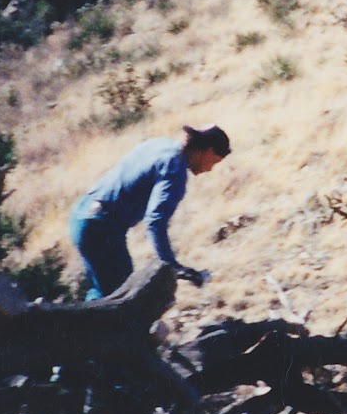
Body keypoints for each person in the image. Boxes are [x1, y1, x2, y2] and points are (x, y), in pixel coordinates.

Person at [69, 124, 231, 299]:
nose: (209, 169)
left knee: (102, 294)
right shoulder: (175, 169)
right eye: (214, 162)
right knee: (122, 299)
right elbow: (155, 221)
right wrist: (170, 265)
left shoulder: (160, 145)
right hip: (102, 227)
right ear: (208, 150)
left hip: (82, 216)